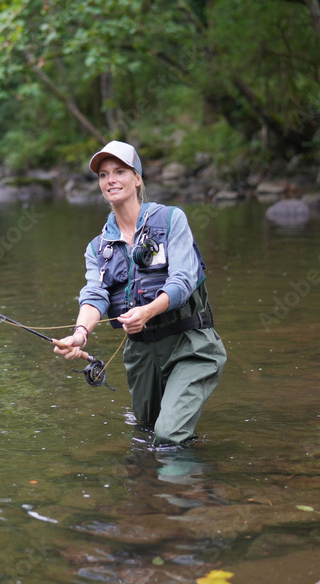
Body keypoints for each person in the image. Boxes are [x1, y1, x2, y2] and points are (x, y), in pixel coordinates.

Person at [54, 140, 226, 446]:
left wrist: (146, 311)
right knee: (145, 433)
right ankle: (149, 492)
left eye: (120, 171)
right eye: (104, 175)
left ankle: (189, 490)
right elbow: (94, 295)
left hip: (191, 345)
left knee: (169, 435)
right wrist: (79, 334)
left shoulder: (172, 220)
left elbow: (183, 281)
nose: (111, 180)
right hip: (142, 354)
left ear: (137, 178)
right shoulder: (97, 248)